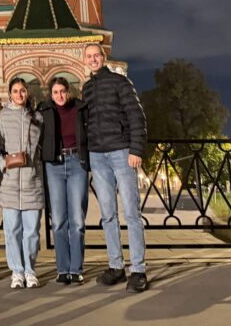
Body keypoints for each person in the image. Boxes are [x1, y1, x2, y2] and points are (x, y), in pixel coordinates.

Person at [79, 43, 149, 293]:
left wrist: (136, 149)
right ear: (85, 60)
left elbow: (136, 115)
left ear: (104, 57)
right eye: (89, 56)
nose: (93, 59)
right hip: (98, 156)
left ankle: (138, 269)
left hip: (121, 152)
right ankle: (116, 266)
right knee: (108, 214)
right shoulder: (87, 88)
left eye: (96, 55)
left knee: (131, 213)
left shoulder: (120, 82)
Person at [38, 76, 88, 285]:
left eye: (62, 91)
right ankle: (62, 269)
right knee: (58, 220)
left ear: (69, 91)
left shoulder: (80, 108)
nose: (59, 95)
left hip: (77, 162)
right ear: (51, 94)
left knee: (77, 220)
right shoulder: (44, 110)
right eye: (55, 92)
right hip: (54, 164)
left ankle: (75, 269)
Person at [0, 77, 45, 289]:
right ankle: (17, 271)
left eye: (22, 90)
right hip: (9, 182)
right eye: (15, 91)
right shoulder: (2, 116)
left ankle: (30, 270)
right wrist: (3, 164)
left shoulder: (38, 118)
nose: (19, 94)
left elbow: (44, 146)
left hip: (32, 182)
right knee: (12, 231)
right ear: (10, 94)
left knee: (32, 231)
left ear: (27, 93)